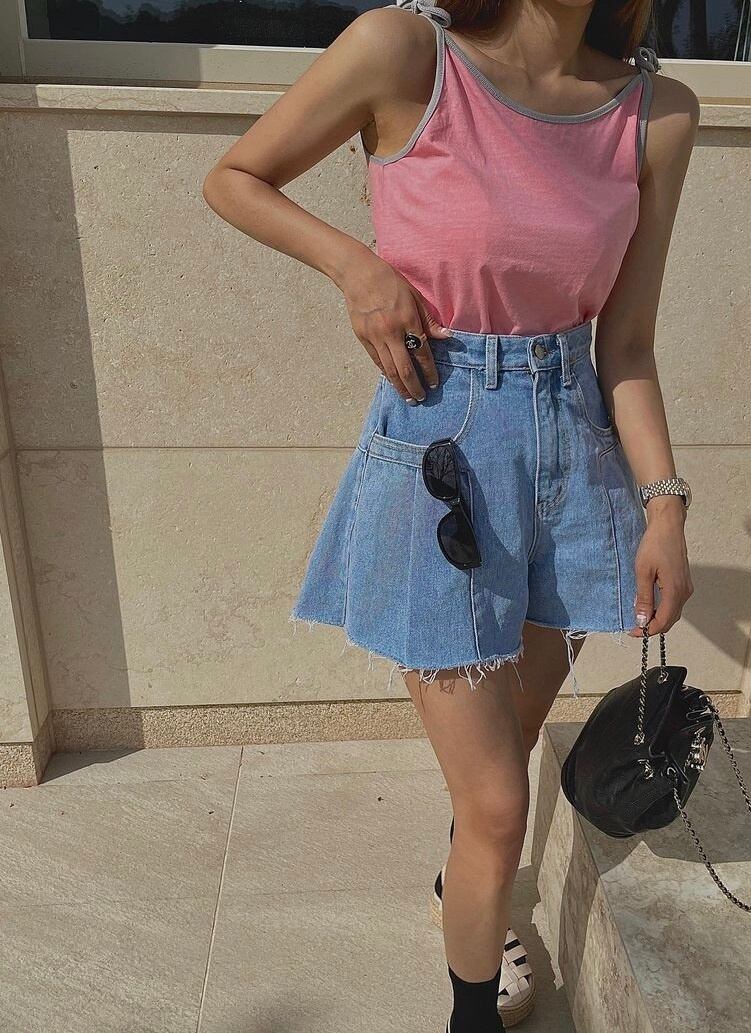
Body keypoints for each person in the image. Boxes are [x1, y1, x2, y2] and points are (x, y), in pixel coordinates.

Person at [202, 0, 697, 1028]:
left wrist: (664, 507)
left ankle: (461, 879)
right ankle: (472, 1006)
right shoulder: (408, 50)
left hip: (576, 460)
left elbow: (628, 343)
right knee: (500, 804)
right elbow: (235, 178)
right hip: (443, 452)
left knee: (509, 746)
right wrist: (358, 267)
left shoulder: (656, 112)